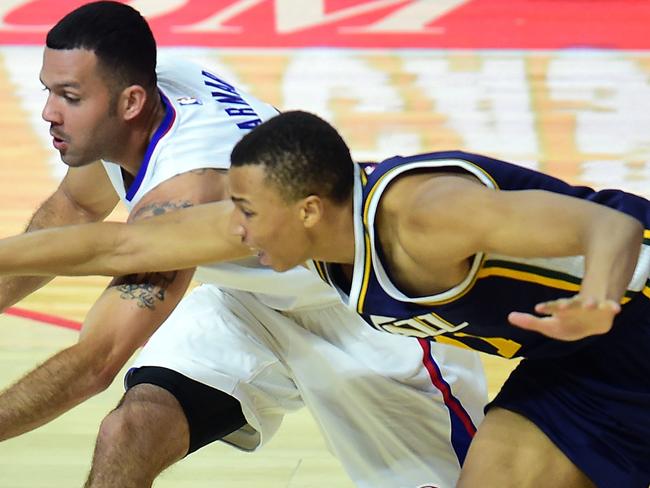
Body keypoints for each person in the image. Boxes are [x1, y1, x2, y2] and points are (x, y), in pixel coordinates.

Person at [0, 3, 487, 488]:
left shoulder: (185, 191)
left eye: (69, 96)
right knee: (129, 432)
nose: (49, 112)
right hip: (251, 301)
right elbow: (77, 207)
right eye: (49, 91)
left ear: (130, 102)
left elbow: (96, 359)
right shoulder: (146, 93)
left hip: (364, 314)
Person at [220, 111, 650, 488]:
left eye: (248, 211)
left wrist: (597, 299)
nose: (237, 227)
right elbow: (165, 239)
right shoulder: (310, 240)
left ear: (308, 210)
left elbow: (614, 227)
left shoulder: (426, 215)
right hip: (580, 368)